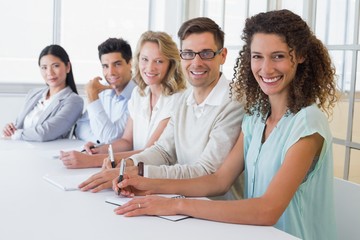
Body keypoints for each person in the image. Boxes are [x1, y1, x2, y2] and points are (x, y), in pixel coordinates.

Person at [113, 10, 338, 240]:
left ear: (299, 56)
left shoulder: (308, 123)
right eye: (257, 56)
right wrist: (146, 185)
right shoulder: (256, 118)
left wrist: (177, 205)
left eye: (278, 56)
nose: (266, 68)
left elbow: (267, 210)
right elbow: (219, 180)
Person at [109, 17, 245, 199]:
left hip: (216, 214)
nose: (196, 62)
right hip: (182, 207)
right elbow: (163, 151)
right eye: (188, 53)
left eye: (206, 53)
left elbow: (206, 171)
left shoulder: (234, 102)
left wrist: (142, 174)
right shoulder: (184, 100)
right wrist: (128, 165)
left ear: (223, 55)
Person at [60, 31, 187, 173]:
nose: (150, 68)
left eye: (159, 61)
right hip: (133, 172)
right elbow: (127, 141)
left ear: (171, 64)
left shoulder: (177, 100)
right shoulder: (139, 94)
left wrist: (91, 160)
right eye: (145, 59)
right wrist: (99, 150)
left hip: (158, 176)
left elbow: (150, 153)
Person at [2, 45, 83, 141]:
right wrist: (10, 129)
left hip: (47, 153)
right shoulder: (34, 94)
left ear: (68, 67)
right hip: (21, 149)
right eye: (44, 67)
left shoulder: (74, 101)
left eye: (55, 66)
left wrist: (15, 135)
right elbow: (19, 125)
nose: (50, 73)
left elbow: (44, 133)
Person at [74, 38, 136, 143]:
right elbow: (80, 127)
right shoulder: (103, 91)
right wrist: (98, 141)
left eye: (117, 64)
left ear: (130, 63)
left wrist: (93, 98)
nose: (111, 72)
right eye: (105, 66)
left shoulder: (138, 96)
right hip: (99, 153)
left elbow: (112, 140)